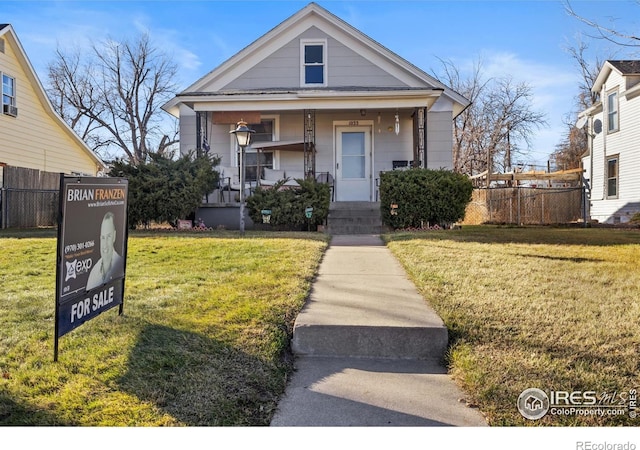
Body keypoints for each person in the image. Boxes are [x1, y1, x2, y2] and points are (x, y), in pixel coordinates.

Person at [86, 211, 124, 290]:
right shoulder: (94, 272)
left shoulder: (120, 265)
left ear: (114, 236)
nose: (105, 244)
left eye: (109, 236)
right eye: (103, 238)